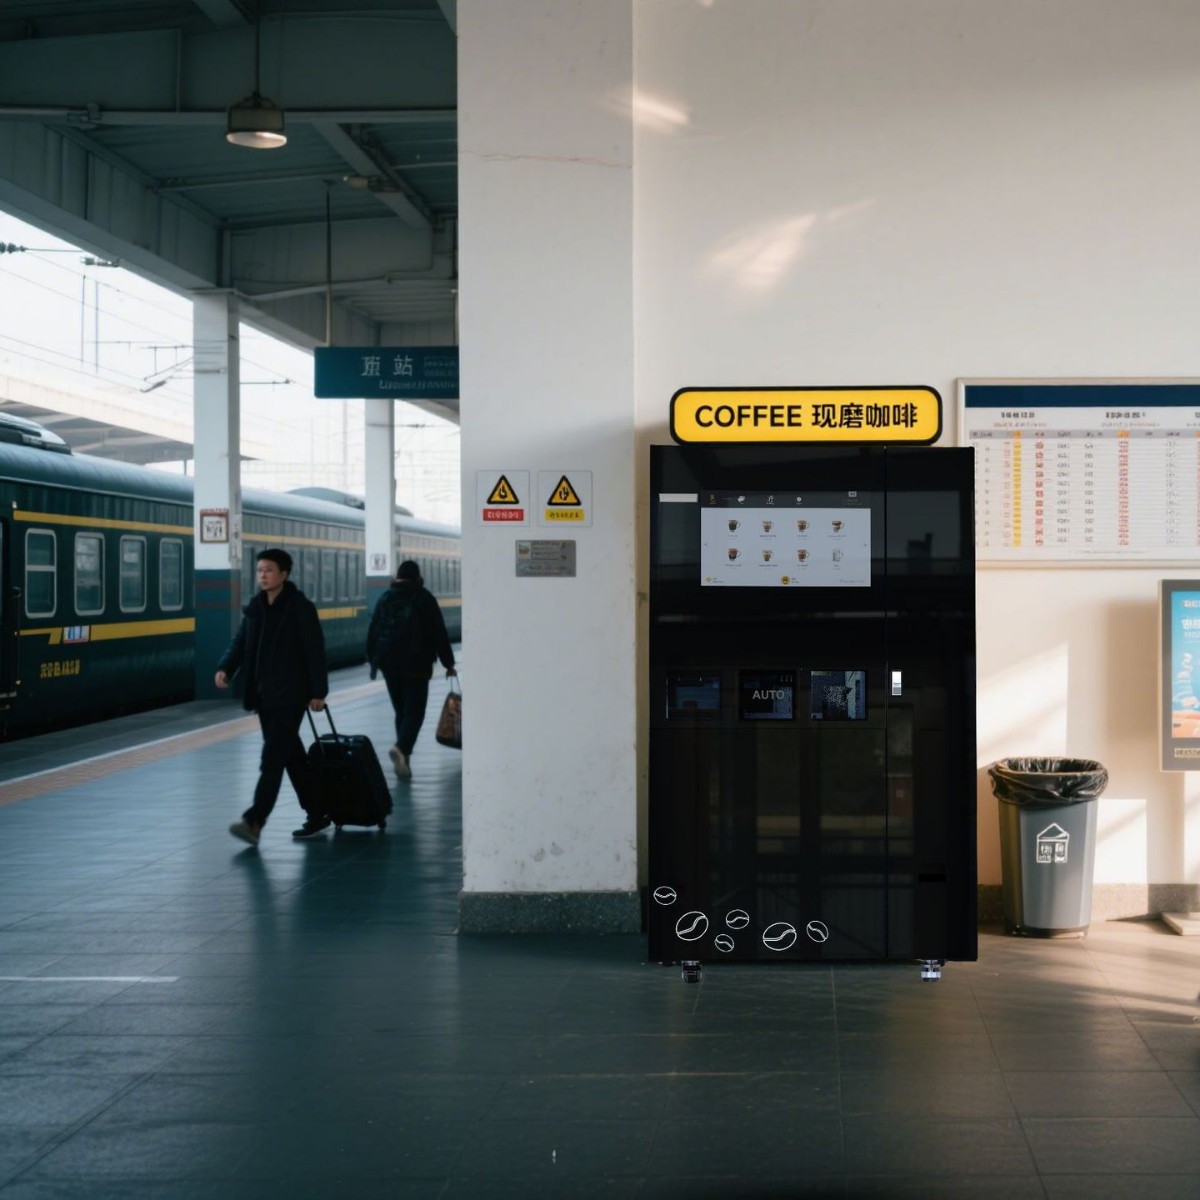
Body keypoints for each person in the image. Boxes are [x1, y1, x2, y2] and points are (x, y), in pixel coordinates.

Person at [216, 548, 330, 845]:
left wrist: (318, 692)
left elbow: (314, 651)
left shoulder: (300, 608)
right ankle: (318, 812)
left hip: (290, 696)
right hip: (264, 697)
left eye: (268, 570)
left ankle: (254, 821)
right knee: (292, 757)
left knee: (272, 759)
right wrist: (226, 667)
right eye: (260, 570)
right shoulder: (256, 609)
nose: (263, 575)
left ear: (284, 574)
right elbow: (241, 642)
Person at [367, 559, 457, 779]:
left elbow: (373, 629)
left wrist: (374, 660)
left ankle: (404, 760)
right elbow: (439, 632)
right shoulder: (424, 598)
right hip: (416, 665)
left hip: (389, 665)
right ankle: (402, 749)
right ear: (418, 577)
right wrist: (449, 663)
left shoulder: (385, 598)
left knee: (402, 712)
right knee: (415, 712)